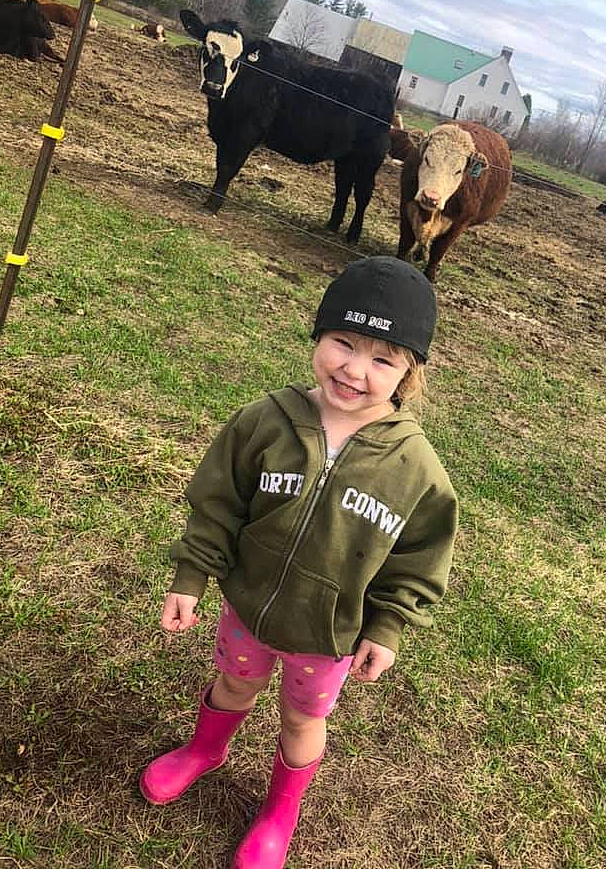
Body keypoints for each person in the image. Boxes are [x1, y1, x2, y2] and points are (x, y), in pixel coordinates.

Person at [139, 256, 459, 869]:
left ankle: (280, 812)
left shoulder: (416, 469)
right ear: (319, 334)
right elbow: (217, 504)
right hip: (248, 607)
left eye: (383, 358)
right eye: (343, 342)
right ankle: (206, 750)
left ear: (409, 374)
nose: (354, 369)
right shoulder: (266, 420)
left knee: (300, 719)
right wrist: (191, 575)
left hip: (326, 635)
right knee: (234, 682)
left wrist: (387, 628)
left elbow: (418, 561)